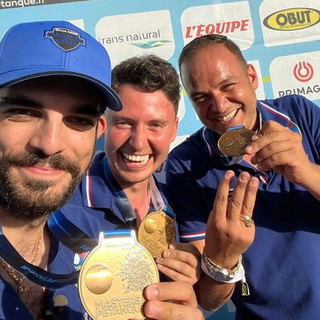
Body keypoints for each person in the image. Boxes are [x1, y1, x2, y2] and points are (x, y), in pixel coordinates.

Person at [0, 20, 203, 320]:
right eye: (23, 112)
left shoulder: (76, 243)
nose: (49, 143)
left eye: (78, 119)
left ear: (96, 129)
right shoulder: (77, 213)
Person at [166, 33, 320, 320]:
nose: (220, 106)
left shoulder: (300, 113)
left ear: (251, 76)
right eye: (202, 98)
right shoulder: (183, 165)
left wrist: (306, 172)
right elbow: (209, 301)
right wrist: (223, 257)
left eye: (228, 86)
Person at [55, 54, 200, 285]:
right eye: (124, 123)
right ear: (104, 124)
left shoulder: (179, 196)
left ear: (174, 129)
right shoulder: (58, 206)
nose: (139, 142)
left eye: (156, 125)